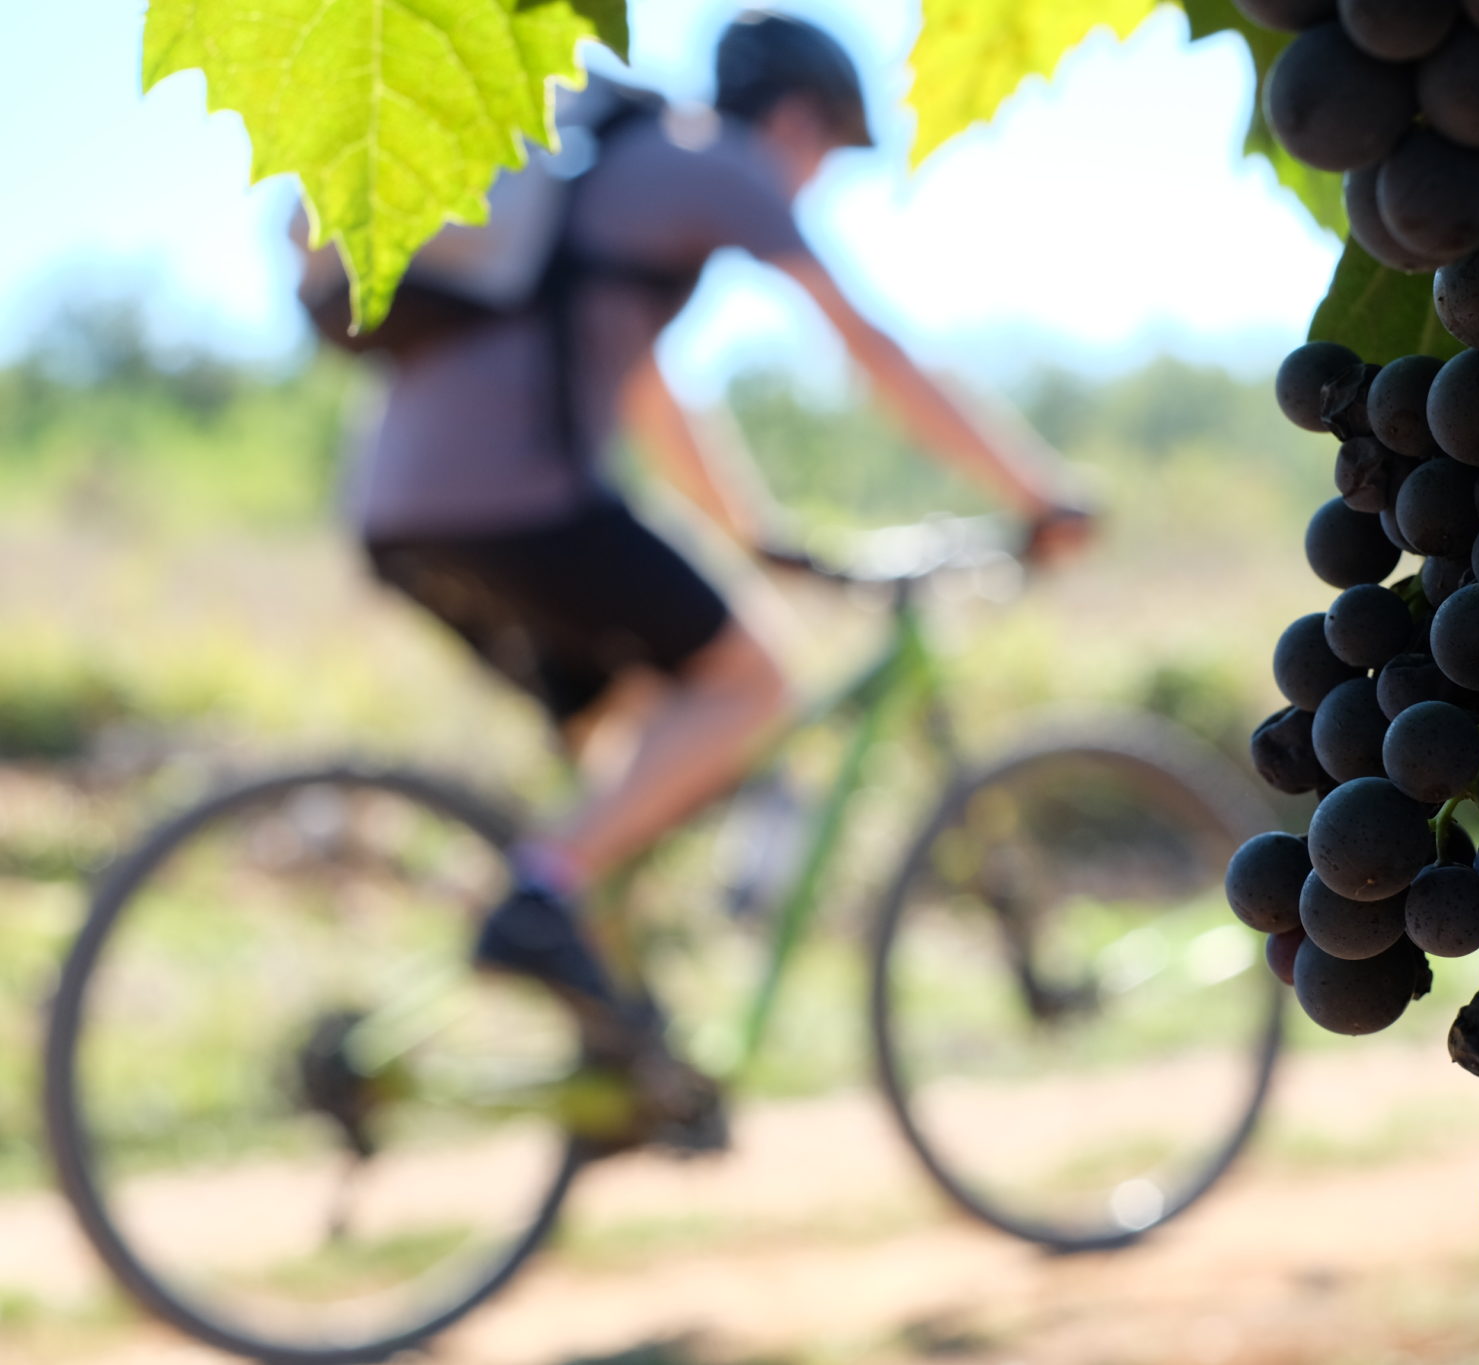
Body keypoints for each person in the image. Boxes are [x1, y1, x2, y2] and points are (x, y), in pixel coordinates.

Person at [346, 12, 1092, 1066]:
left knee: (634, 756)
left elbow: (654, 400)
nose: (814, 183)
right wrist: (1040, 491)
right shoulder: (714, 164)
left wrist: (758, 537)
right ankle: (540, 897)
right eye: (829, 155)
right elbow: (869, 348)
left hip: (401, 516)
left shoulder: (623, 178)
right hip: (519, 504)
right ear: (793, 119)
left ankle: (619, 1052)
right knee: (754, 686)